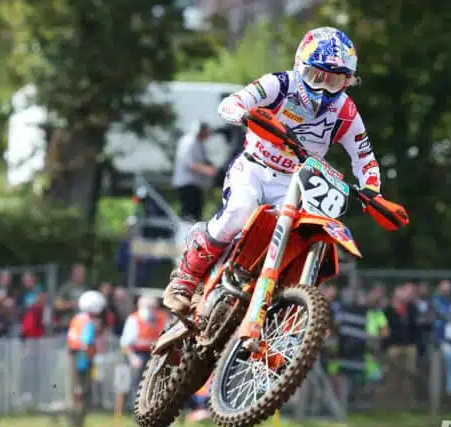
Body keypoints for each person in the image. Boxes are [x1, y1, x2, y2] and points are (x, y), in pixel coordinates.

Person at [164, 26, 383, 316]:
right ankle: (186, 278)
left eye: (334, 81)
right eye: (316, 77)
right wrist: (245, 115)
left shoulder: (346, 111)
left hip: (298, 183)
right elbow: (230, 103)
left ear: (347, 81)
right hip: (255, 168)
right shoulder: (279, 84)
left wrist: (372, 190)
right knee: (239, 211)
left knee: (302, 235)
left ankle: (280, 307)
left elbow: (364, 157)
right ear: (300, 67)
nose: (322, 89)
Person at [65, 290, 106, 427]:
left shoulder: (77, 319)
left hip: (73, 356)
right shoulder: (88, 322)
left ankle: (73, 421)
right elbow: (86, 343)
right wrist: (92, 356)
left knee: (74, 390)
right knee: (82, 390)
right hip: (82, 359)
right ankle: (78, 423)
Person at [119, 295, 167, 408]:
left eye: (153, 307)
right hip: (136, 354)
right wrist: (133, 358)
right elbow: (125, 343)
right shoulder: (134, 319)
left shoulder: (162, 318)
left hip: (154, 354)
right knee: (136, 382)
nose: (151, 309)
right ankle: (133, 407)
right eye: (148, 306)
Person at [171, 120, 217, 222]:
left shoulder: (200, 143)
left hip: (196, 183)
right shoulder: (188, 142)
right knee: (188, 213)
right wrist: (206, 170)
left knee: (197, 213)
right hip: (187, 182)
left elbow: (205, 160)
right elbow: (188, 162)